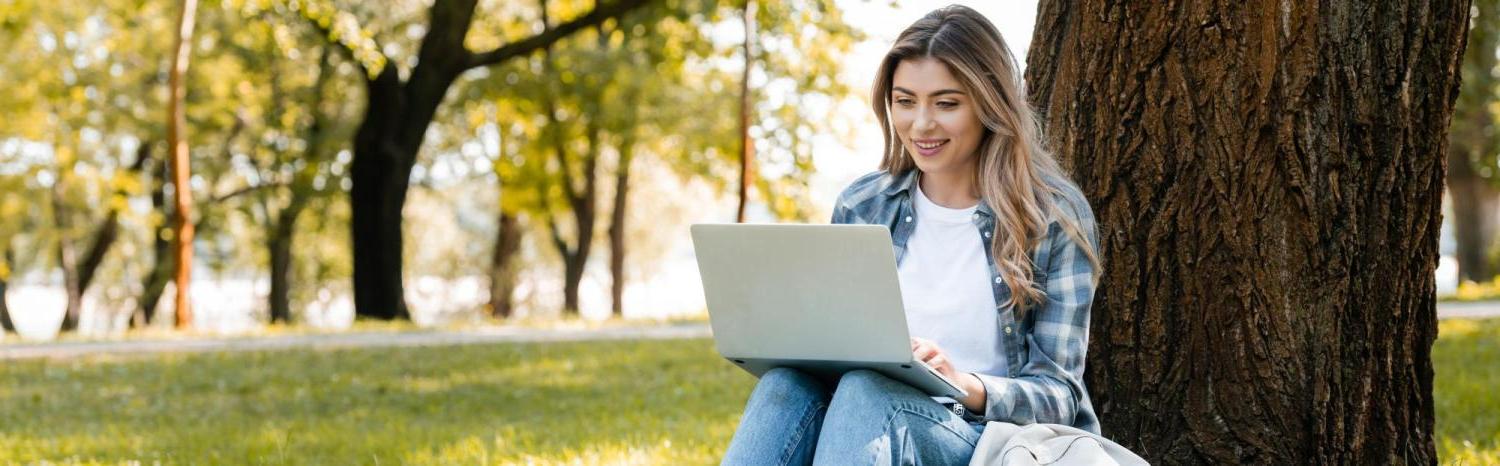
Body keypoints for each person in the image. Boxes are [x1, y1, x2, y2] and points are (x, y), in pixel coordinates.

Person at [720, 5, 1103, 465]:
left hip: (983, 439)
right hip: (860, 428)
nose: (921, 124)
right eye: (905, 101)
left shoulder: (1052, 217)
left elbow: (1060, 393)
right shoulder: (863, 205)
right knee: (785, 384)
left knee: (870, 393)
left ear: (990, 104)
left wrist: (961, 382)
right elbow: (833, 347)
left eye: (946, 103)